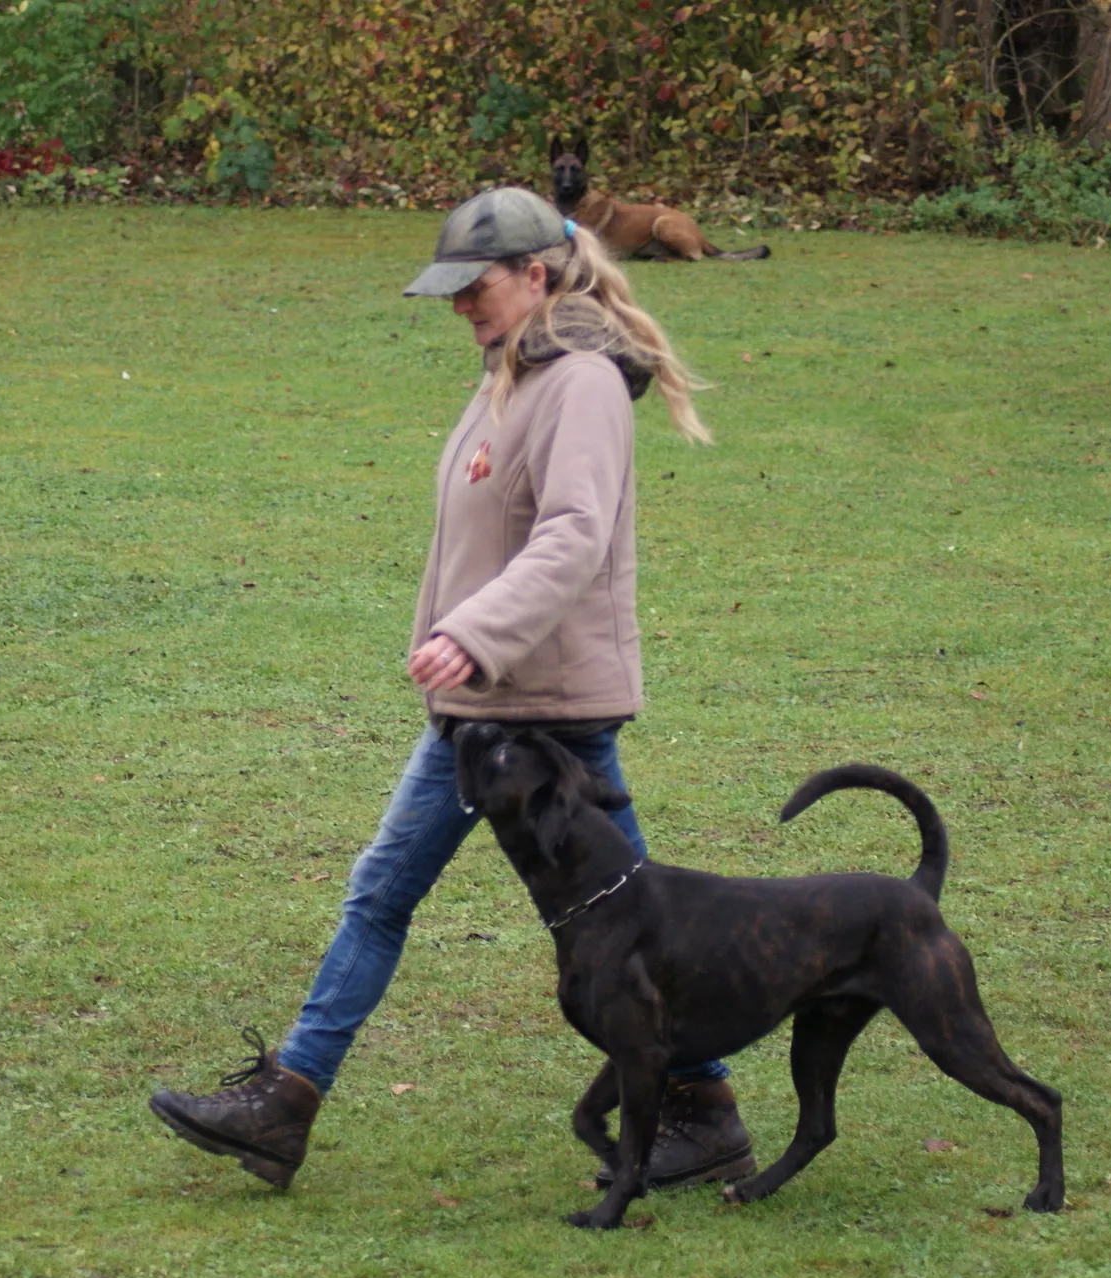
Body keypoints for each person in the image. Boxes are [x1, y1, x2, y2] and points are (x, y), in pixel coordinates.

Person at [148, 187, 754, 1193]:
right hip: (501, 698)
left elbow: (574, 531)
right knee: (615, 916)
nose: (461, 305)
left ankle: (288, 1103)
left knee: (421, 896)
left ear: (535, 274)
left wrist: (473, 635)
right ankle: (703, 1107)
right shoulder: (517, 370)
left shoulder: (579, 382)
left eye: (476, 287)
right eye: (452, 291)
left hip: (534, 706)